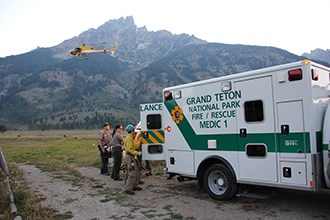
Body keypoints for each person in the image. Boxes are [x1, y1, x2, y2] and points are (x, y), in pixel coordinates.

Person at [123, 124, 142, 195]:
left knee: (136, 171)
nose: (134, 132)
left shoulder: (131, 138)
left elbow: (135, 146)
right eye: (133, 130)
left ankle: (134, 185)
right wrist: (138, 153)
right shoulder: (128, 139)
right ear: (131, 131)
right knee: (131, 172)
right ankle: (127, 188)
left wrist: (140, 141)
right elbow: (130, 150)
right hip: (130, 157)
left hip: (132, 157)